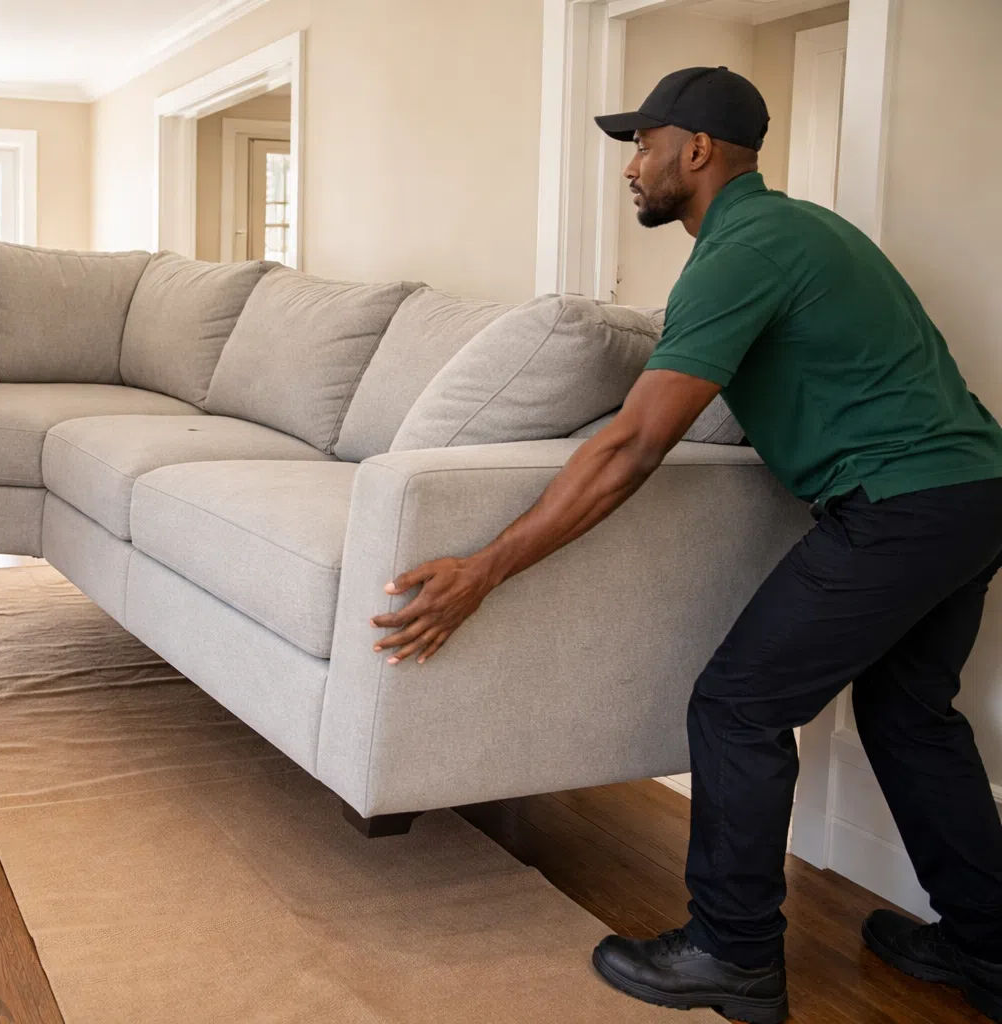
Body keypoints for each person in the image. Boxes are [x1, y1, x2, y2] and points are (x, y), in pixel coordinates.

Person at [370, 66, 1002, 1023]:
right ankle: (987, 944)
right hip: (973, 491)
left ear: (697, 150)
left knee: (739, 706)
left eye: (643, 144)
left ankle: (733, 953)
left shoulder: (741, 252)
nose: (631, 166)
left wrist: (484, 570)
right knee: (911, 717)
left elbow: (633, 445)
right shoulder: (804, 230)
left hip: (902, 504)